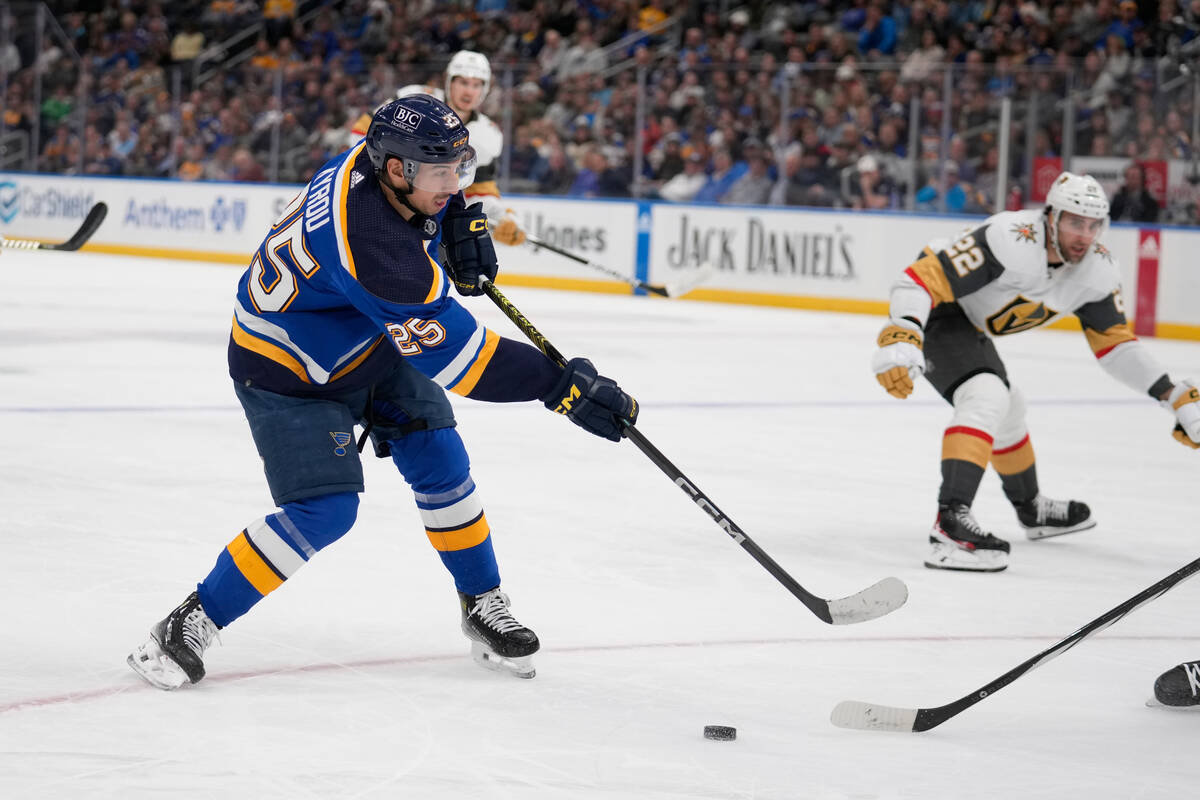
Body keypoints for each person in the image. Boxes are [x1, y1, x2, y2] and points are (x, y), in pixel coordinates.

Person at [127, 94, 638, 690]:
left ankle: (482, 603)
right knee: (326, 510)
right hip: (289, 370)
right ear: (396, 171)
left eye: (460, 168)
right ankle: (188, 621)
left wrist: (451, 219)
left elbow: (426, 209)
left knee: (440, 458)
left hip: (365, 339)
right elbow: (465, 363)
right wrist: (560, 386)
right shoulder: (374, 249)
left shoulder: (378, 161)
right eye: (442, 175)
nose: (455, 182)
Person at [870, 172, 1200, 573]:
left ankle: (1031, 508)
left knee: (1009, 407)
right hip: (938, 309)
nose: (1083, 234)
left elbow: (1115, 346)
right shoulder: (1011, 237)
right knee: (986, 395)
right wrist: (903, 330)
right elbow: (921, 279)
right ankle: (950, 525)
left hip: (969, 322)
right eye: (1074, 222)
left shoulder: (1097, 271)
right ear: (1051, 217)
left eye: (1093, 224)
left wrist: (1173, 394)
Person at [349, 50, 526, 248]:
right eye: (463, 82)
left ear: (485, 90)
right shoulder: (414, 99)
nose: (469, 91)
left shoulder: (488, 135)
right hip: (382, 197)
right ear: (449, 81)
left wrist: (503, 218)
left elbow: (480, 190)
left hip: (428, 216)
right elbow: (361, 131)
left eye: (476, 85)